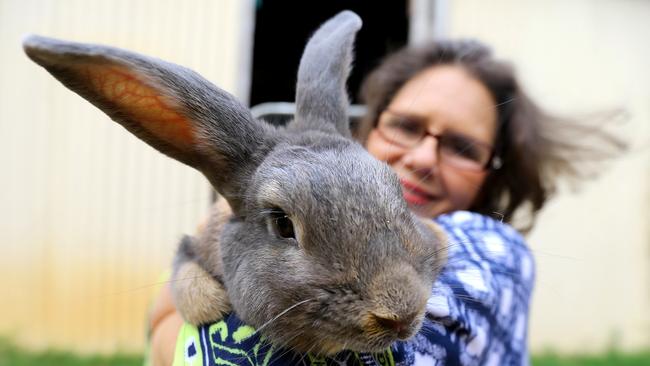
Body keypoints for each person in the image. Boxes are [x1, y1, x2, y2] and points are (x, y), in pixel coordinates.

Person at [147, 39, 623, 365]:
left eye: (462, 148)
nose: (422, 157)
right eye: (406, 126)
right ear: (368, 127)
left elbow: (192, 342)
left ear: (496, 170)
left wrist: (173, 308)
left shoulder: (494, 252)